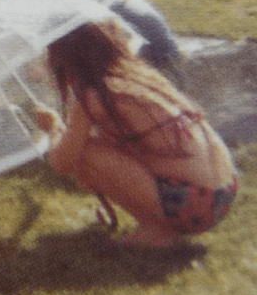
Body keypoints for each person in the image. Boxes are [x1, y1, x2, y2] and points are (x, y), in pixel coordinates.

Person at [35, 21, 238, 248]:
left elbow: (62, 162)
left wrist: (53, 127)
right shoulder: (137, 78)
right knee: (99, 146)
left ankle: (159, 231)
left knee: (85, 153)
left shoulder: (93, 96)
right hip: (222, 195)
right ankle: (158, 225)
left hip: (194, 206)